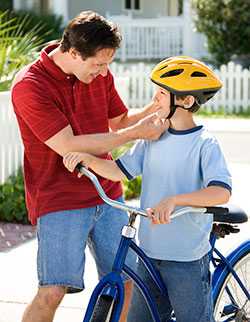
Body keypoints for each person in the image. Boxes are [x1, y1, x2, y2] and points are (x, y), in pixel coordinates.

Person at [11, 11, 169, 322]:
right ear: (71, 53)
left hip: (106, 192)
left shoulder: (99, 73)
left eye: (108, 63)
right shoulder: (31, 86)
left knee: (127, 282)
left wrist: (154, 108)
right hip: (59, 199)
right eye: (98, 64)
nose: (104, 71)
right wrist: (135, 134)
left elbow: (119, 122)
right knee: (53, 290)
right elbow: (69, 145)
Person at [63, 56, 232, 322]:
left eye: (163, 93)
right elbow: (119, 170)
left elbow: (221, 192)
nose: (156, 99)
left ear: (186, 101)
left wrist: (174, 200)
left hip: (185, 257)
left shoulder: (204, 144)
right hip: (150, 253)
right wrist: (88, 160)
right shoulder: (153, 139)